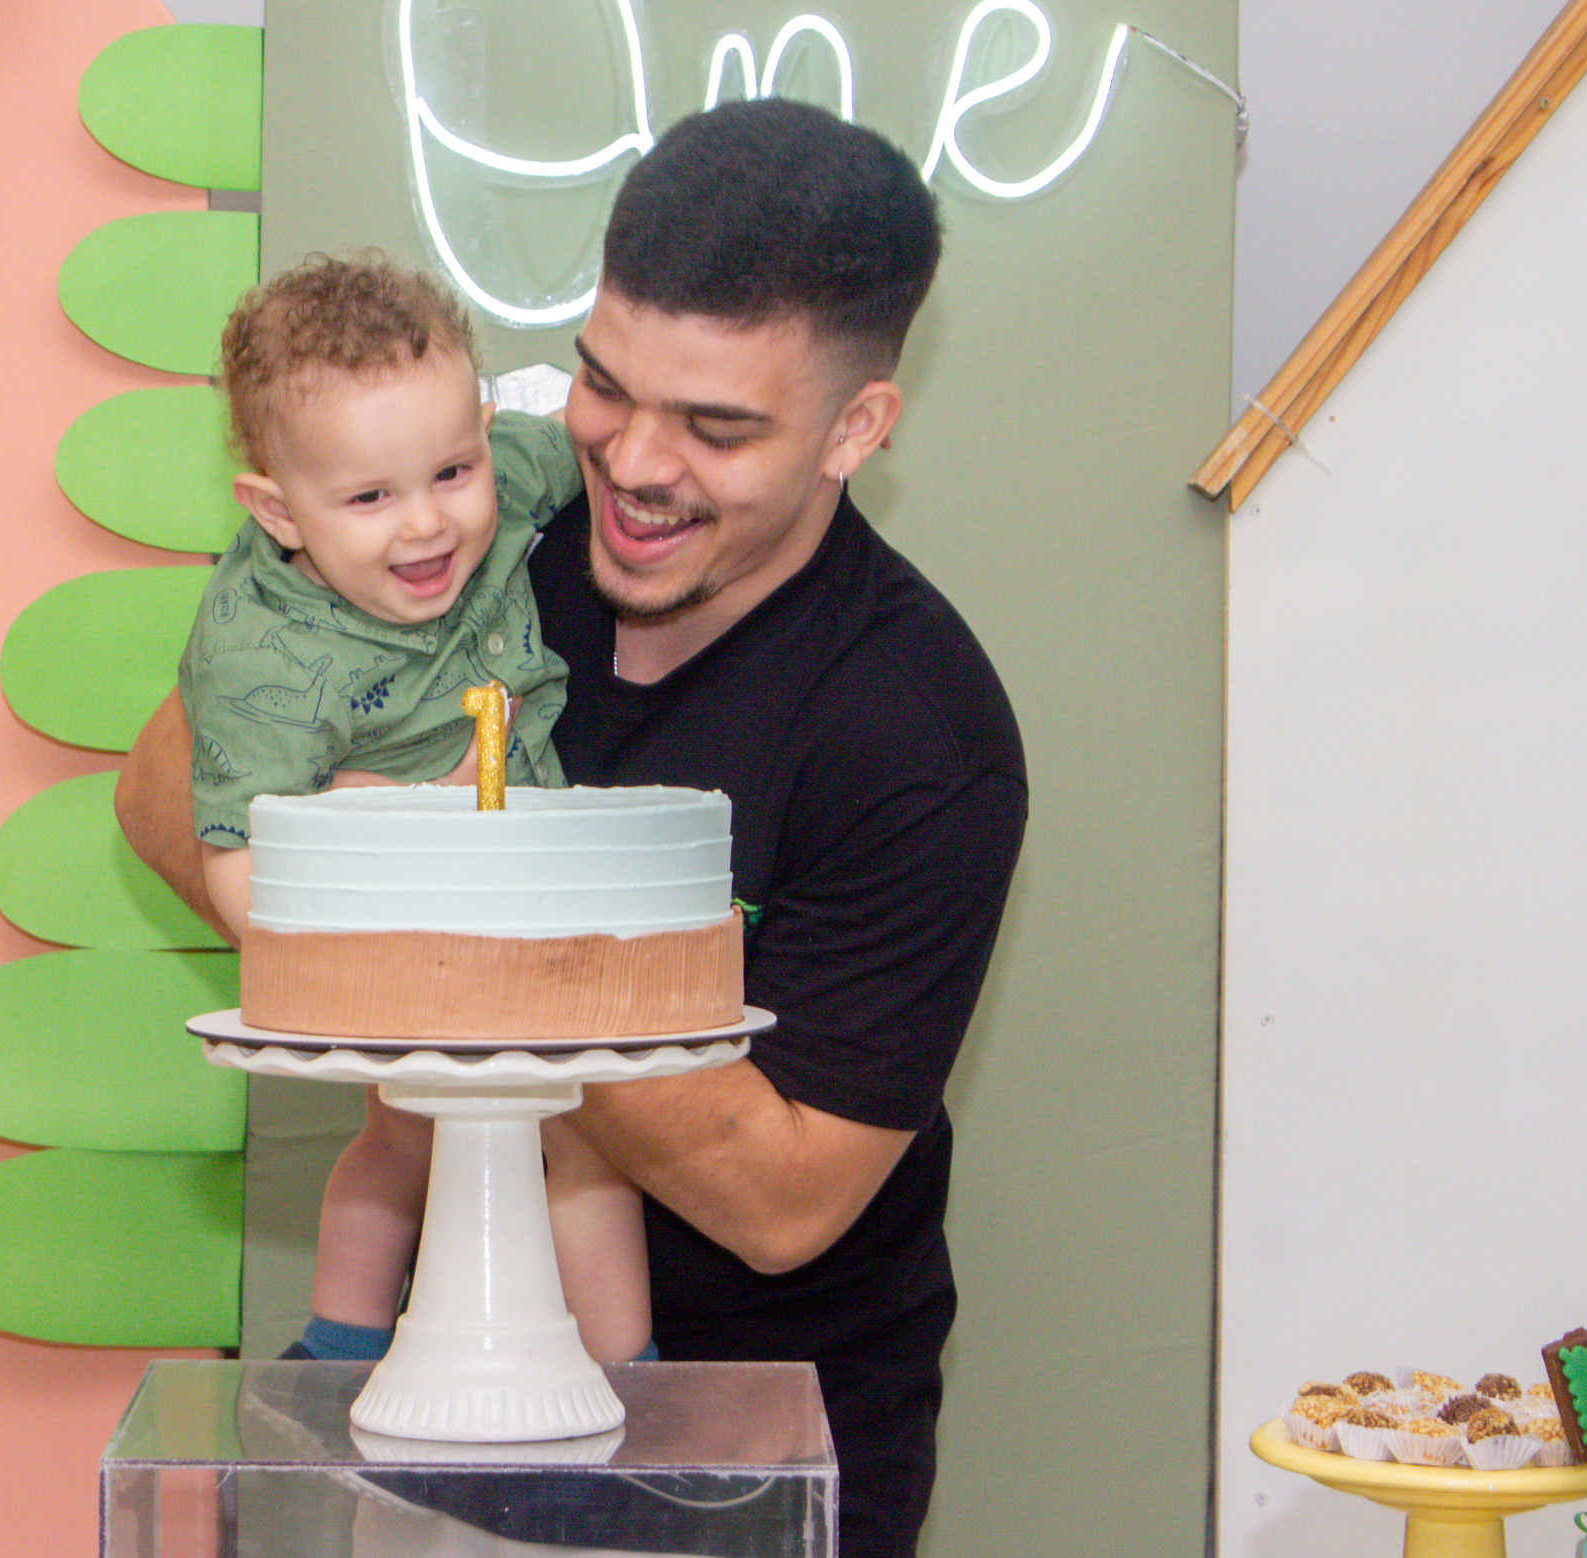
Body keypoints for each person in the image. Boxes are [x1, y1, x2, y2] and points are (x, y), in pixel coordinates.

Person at [117, 98, 1026, 1558]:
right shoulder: (466, 524)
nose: (635, 462)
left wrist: (437, 914)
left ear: (857, 426)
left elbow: (782, 1195)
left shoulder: (918, 734)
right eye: (605, 387)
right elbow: (164, 791)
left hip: (754, 1451)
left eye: (717, 426)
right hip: (438, 1406)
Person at [184, 252, 655, 1367]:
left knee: (584, 1145)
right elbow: (237, 870)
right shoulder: (262, 658)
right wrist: (370, 892)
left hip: (527, 890)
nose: (426, 527)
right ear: (275, 510)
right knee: (397, 1135)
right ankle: (337, 1347)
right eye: (366, 497)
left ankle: (635, 1394)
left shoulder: (513, 476)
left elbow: (593, 460)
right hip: (392, 924)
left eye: (451, 470)